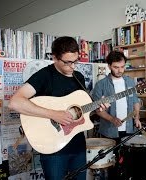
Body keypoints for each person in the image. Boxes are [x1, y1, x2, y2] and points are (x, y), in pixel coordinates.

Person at [8, 36, 108, 180]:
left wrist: (98, 109)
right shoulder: (44, 75)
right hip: (53, 148)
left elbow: (81, 114)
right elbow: (15, 102)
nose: (73, 66)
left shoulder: (78, 77)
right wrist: (54, 114)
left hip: (78, 146)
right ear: (55, 58)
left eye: (76, 61)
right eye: (68, 62)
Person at [92, 50, 141, 142]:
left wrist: (137, 117)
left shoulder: (130, 81)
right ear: (109, 66)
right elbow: (97, 110)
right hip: (109, 131)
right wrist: (112, 119)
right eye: (116, 67)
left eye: (122, 67)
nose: (120, 70)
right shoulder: (100, 84)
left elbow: (135, 101)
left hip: (129, 129)